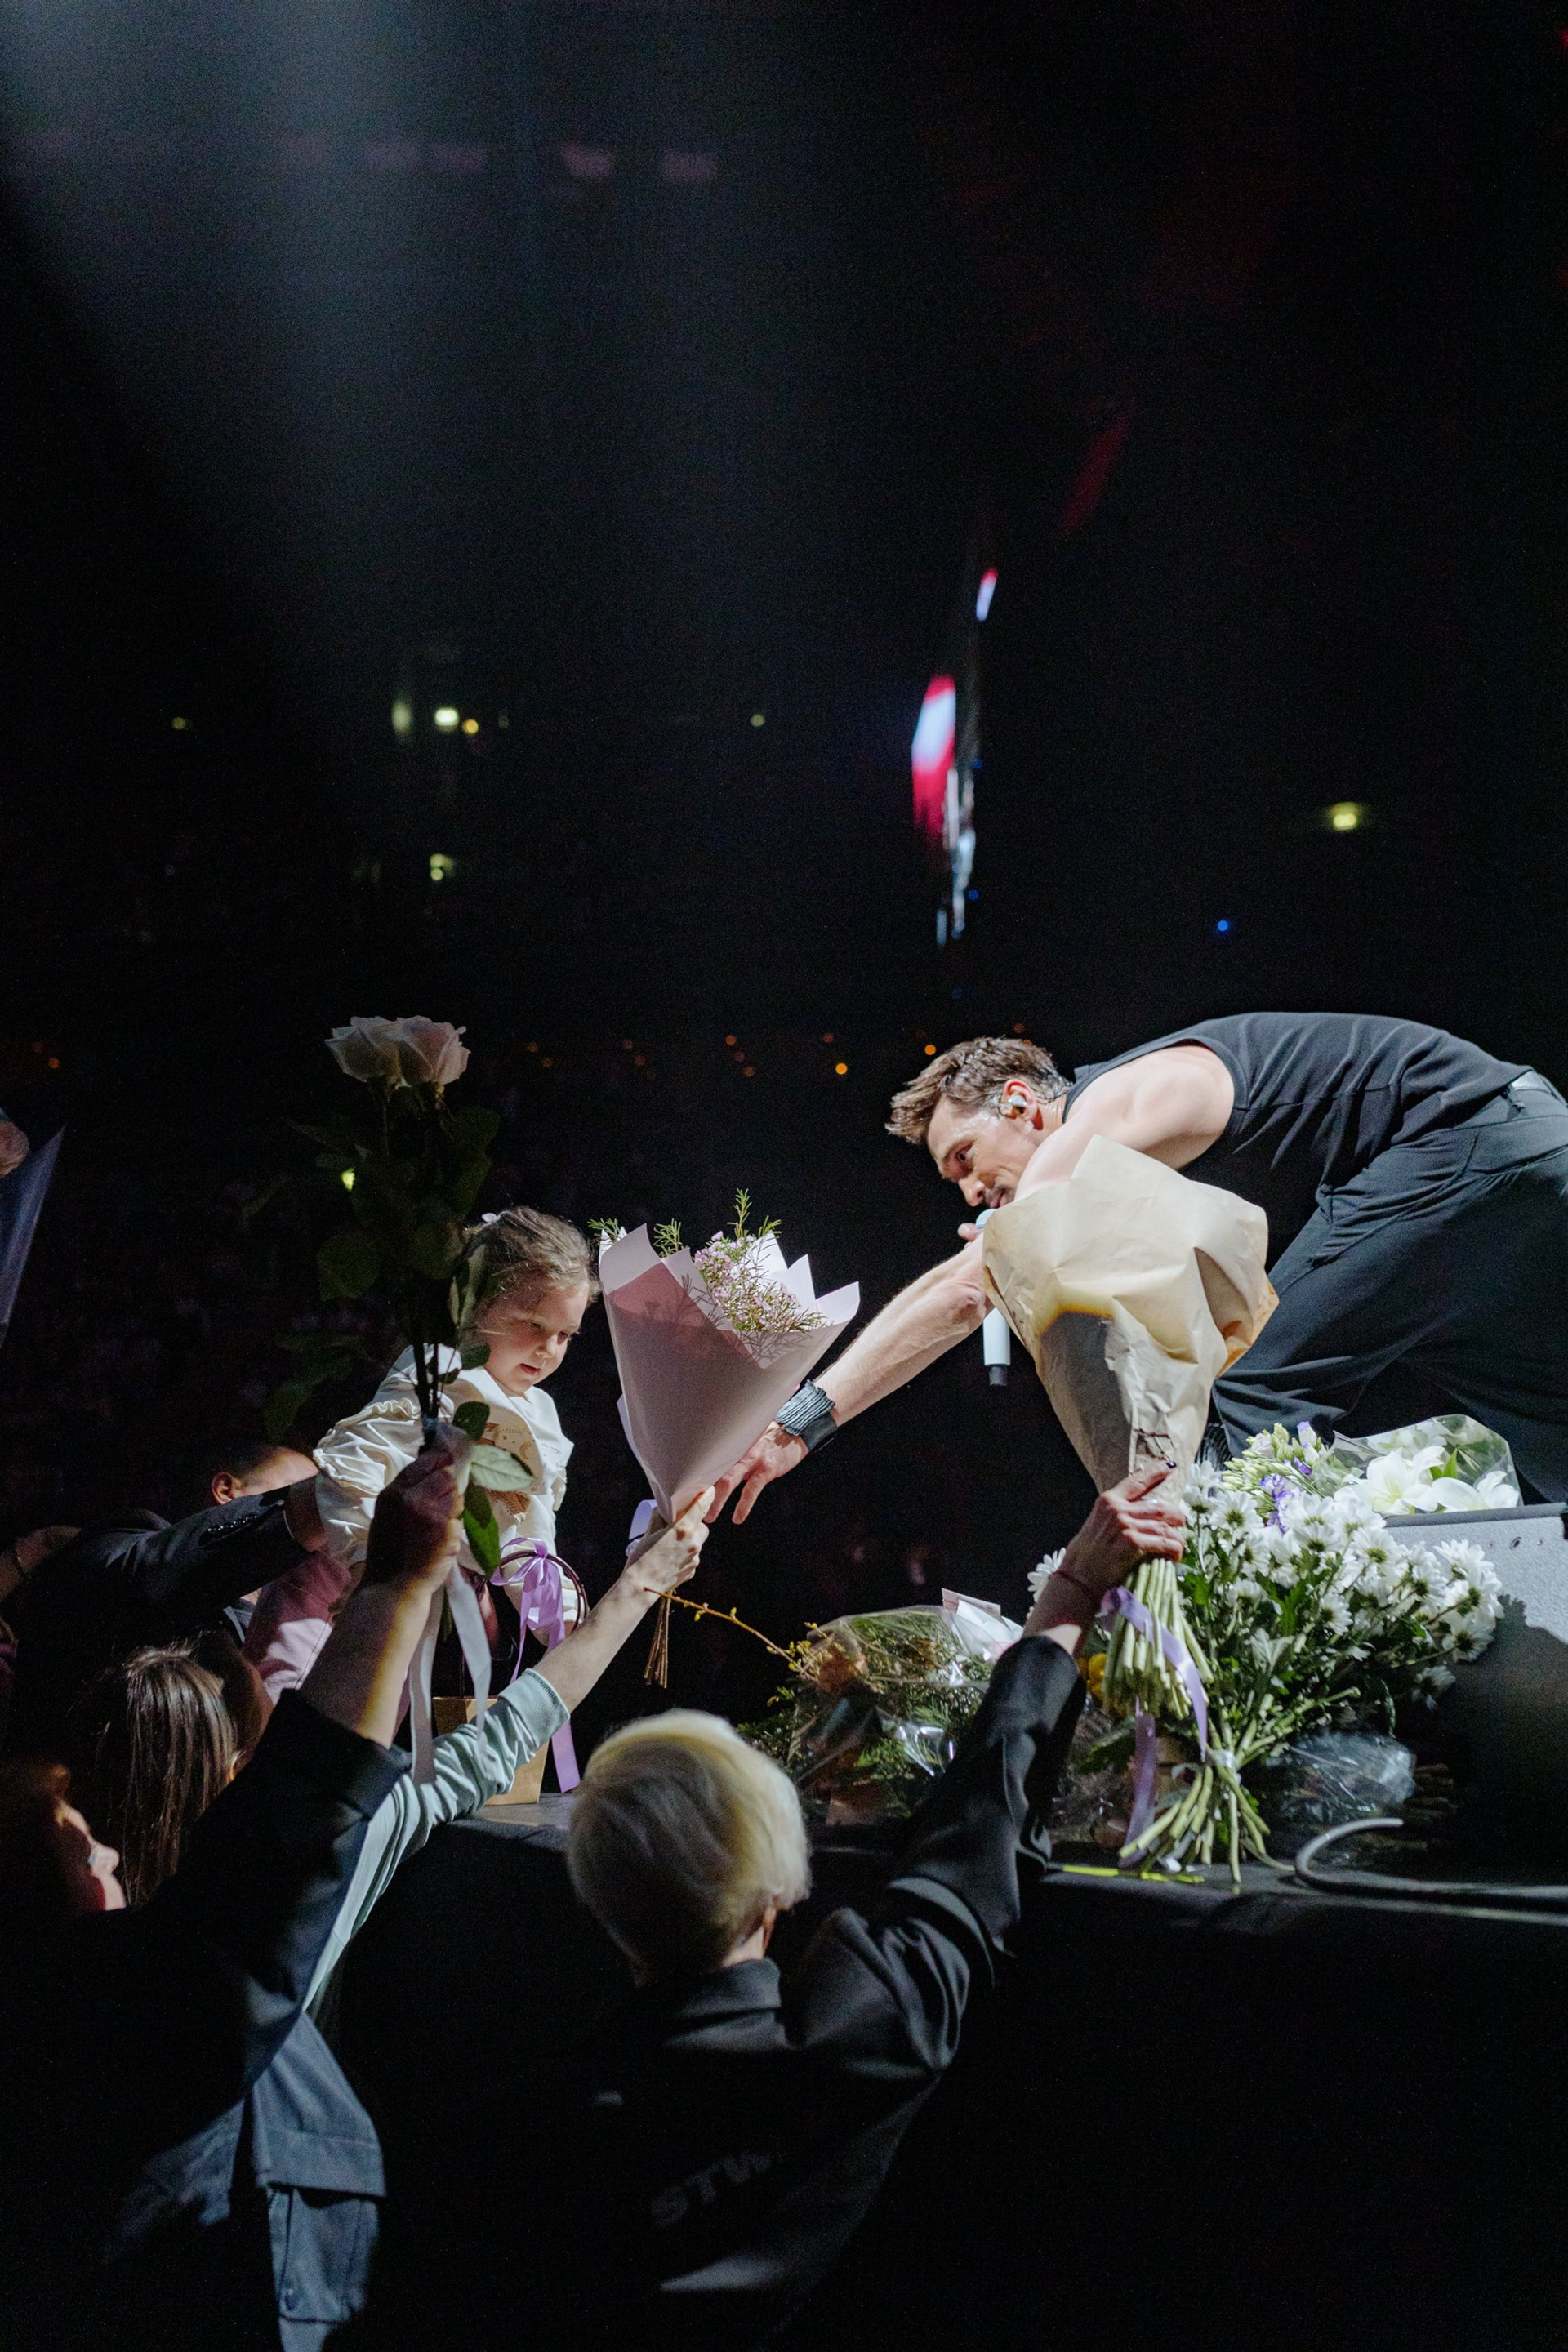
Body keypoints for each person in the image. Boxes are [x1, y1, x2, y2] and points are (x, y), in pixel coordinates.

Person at [373, 1468, 1185, 2352]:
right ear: (784, 1887)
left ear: (595, 1899)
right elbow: (973, 1837)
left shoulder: (510, 2143)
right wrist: (1071, 1590)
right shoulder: (861, 2041)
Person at [0, 1431, 467, 2352]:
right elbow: (281, 1844)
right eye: (76, 1848)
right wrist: (396, 1590)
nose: (97, 1843)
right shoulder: (111, 2032)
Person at [714, 1015, 1568, 1511]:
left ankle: (1270, 1650)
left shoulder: (1100, 1111)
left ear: (1022, 1104)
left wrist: (800, 1420)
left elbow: (964, 1294)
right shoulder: (1123, 1145)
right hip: (1527, 1158)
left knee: (1249, 1392)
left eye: (966, 1159)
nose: (971, 1192)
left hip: (1468, 1146)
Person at [248, 1207, 595, 1702]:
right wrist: (368, 1568)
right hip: (342, 1587)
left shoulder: (541, 1412)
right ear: (475, 1305)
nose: (549, 1350)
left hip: (418, 1602)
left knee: (365, 1735)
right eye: (533, 1325)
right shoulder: (439, 1373)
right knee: (290, 1719)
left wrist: (561, 1618)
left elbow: (524, 1531)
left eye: (565, 1336)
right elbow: (356, 1469)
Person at [2, 1456, 331, 1762]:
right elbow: (151, 1575)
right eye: (301, 1483)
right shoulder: (122, 1547)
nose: (331, 1526)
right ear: (226, 1490)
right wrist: (327, 1496)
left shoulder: (293, 1618)